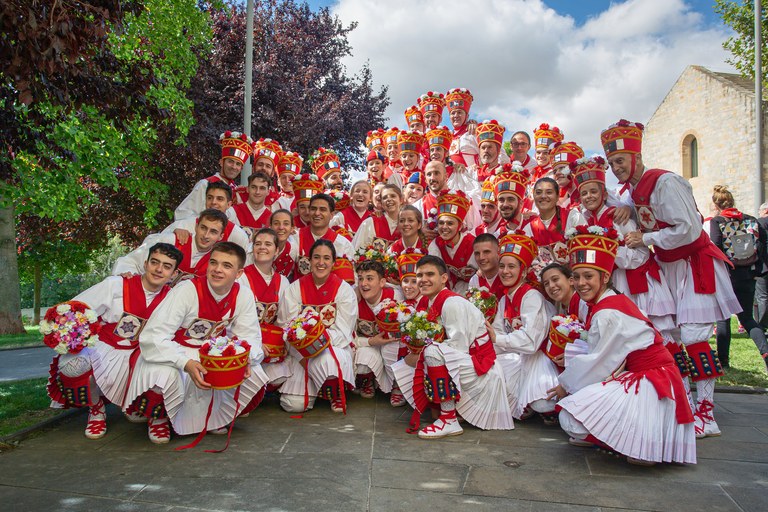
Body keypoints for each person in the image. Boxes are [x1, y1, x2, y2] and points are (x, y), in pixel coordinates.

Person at [602, 119, 740, 439]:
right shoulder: (633, 191)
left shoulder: (665, 182)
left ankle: (707, 412)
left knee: (695, 337)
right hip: (671, 267)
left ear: (636, 156)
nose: (617, 167)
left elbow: (689, 229)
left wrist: (647, 238)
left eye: (620, 160)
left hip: (694, 263)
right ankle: (687, 404)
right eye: (612, 164)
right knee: (673, 337)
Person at [548, 227, 696, 465]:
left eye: (588, 276)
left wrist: (565, 386)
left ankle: (632, 443)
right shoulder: (613, 302)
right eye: (576, 276)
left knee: (569, 417)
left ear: (604, 277)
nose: (581, 283)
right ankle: (635, 443)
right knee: (577, 414)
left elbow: (600, 362)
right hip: (651, 379)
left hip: (649, 383)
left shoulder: (607, 313)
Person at [123, 242, 269, 440]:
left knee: (256, 373)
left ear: (239, 273)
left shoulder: (243, 295)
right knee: (161, 376)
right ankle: (158, 420)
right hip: (177, 351)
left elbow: (250, 337)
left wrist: (243, 359)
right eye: (214, 263)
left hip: (211, 354)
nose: (217, 270)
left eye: (227, 266)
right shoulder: (186, 289)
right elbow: (154, 336)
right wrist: (186, 363)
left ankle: (213, 418)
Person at [46, 243, 183, 442]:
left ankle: (156, 417)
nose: (159, 269)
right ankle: (96, 409)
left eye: (166, 266)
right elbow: (79, 308)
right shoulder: (116, 285)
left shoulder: (173, 298)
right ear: (145, 264)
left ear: (173, 273)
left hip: (142, 353)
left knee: (169, 370)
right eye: (155, 262)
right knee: (73, 366)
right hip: (105, 347)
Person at [392, 255, 513, 438]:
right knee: (411, 360)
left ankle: (449, 420)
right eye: (419, 275)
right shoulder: (427, 301)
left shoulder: (451, 302)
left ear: (444, 279)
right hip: (466, 362)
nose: (423, 280)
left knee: (432, 352)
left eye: (430, 274)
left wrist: (421, 355)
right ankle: (444, 408)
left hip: (481, 367)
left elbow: (458, 348)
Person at [566, 156, 677, 340]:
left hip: (637, 284)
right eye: (584, 193)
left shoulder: (618, 217)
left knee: (651, 333)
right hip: (614, 282)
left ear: (604, 193)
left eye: (593, 191)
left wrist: (609, 253)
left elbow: (641, 254)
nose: (589, 196)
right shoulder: (585, 222)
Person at [277, 239, 358, 413]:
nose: (321, 263)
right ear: (309, 260)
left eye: (326, 258)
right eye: (317, 257)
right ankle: (319, 385)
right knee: (294, 405)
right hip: (301, 352)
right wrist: (305, 351)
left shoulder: (344, 290)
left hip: (333, 347)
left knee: (328, 360)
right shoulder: (294, 288)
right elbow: (286, 326)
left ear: (333, 262)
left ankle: (334, 390)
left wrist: (317, 343)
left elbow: (344, 330)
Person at [489, 233, 559, 422]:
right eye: (502, 266)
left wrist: (497, 339)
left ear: (524, 269)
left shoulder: (532, 296)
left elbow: (531, 342)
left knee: (543, 404)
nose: (505, 271)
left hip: (537, 357)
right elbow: (498, 333)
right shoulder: (505, 299)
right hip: (518, 356)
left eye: (511, 266)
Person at [709, 186, 768, 370]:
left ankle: (723, 361)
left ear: (716, 204)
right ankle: (766, 353)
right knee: (747, 319)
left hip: (727, 275)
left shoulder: (718, 221)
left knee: (724, 318)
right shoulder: (750, 219)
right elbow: (762, 244)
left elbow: (716, 248)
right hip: (748, 274)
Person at [238, 228, 292, 390]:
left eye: (268, 244)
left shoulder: (283, 281)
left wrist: (280, 344)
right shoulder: (241, 276)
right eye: (258, 244)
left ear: (276, 251)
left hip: (270, 345)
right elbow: (235, 318)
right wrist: (254, 342)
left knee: (280, 377)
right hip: (246, 341)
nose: (262, 247)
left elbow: (284, 320)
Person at [113, 209, 228, 283]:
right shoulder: (170, 241)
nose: (206, 235)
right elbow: (131, 261)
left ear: (220, 236)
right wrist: (127, 275)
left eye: (213, 232)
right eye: (203, 228)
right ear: (196, 227)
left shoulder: (215, 260)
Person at [174, 131, 252, 221]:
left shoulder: (237, 191)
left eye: (238, 164)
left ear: (241, 168)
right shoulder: (205, 184)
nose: (234, 167)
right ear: (221, 162)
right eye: (230, 161)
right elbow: (183, 213)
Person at [354, 260, 403, 400]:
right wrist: (370, 341)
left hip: (390, 345)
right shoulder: (354, 300)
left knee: (395, 345)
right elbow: (348, 337)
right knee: (363, 357)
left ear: (382, 282)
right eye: (361, 279)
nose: (364, 284)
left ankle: (397, 384)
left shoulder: (395, 296)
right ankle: (366, 379)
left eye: (369, 278)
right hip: (370, 345)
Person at [163, 181, 251, 254]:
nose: (213, 202)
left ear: (229, 204)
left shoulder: (238, 236)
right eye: (210, 198)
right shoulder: (184, 225)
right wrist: (173, 234)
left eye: (219, 199)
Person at [290, 193, 355, 279]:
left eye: (322, 209)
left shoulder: (343, 245)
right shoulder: (295, 238)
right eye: (313, 209)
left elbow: (348, 280)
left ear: (332, 215)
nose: (317, 213)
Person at [427, 189, 478, 295]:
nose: (444, 227)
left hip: (475, 291)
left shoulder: (473, 244)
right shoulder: (435, 245)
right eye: (441, 223)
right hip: (452, 291)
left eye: (450, 223)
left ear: (460, 227)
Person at [523, 177, 569, 278]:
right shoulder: (528, 229)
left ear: (557, 196)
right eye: (538, 192)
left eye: (549, 192)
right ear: (533, 196)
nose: (543, 196)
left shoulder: (572, 217)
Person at [353, 184, 402, 252]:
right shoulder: (369, 223)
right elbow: (357, 250)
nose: (389, 199)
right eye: (384, 198)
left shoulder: (408, 224)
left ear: (401, 200)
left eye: (393, 196)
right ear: (381, 203)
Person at [231, 171, 273, 238]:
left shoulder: (272, 219)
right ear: (247, 189)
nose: (257, 192)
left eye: (262, 188)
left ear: (268, 192)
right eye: (254, 187)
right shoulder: (232, 212)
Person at [445, 88, 479, 169]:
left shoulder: (472, 132)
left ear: (467, 116)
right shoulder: (447, 136)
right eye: (453, 113)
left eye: (459, 112)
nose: (456, 115)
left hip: (471, 178)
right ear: (449, 117)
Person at [492, 163, 530, 235]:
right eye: (501, 200)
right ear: (497, 204)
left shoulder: (534, 227)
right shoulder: (496, 236)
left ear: (521, 203)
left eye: (510, 199)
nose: (505, 204)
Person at [550, 141, 583, 210]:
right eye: (554, 171)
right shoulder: (566, 204)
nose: (557, 173)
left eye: (562, 168)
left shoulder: (586, 198)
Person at [252, 137, 284, 207]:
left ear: (272, 173)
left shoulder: (280, 201)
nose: (263, 168)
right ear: (253, 168)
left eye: (268, 166)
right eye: (260, 164)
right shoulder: (238, 195)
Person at [269, 209, 295, 280]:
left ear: (292, 228)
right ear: (270, 226)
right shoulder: (257, 249)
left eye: (286, 224)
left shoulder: (294, 250)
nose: (281, 227)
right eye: (276, 223)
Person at [755, 202, 768, 329]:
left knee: (762, 297)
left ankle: (761, 325)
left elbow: (757, 244)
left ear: (765, 211)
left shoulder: (760, 222)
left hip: (763, 265)